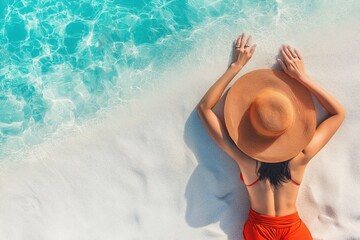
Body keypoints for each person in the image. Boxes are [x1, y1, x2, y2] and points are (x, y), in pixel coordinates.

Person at [196, 32, 346, 239]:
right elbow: (338, 113)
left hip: (259, 231)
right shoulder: (300, 157)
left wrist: (236, 67)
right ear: (286, 133)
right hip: (294, 232)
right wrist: (302, 78)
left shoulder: (246, 161)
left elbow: (205, 109)